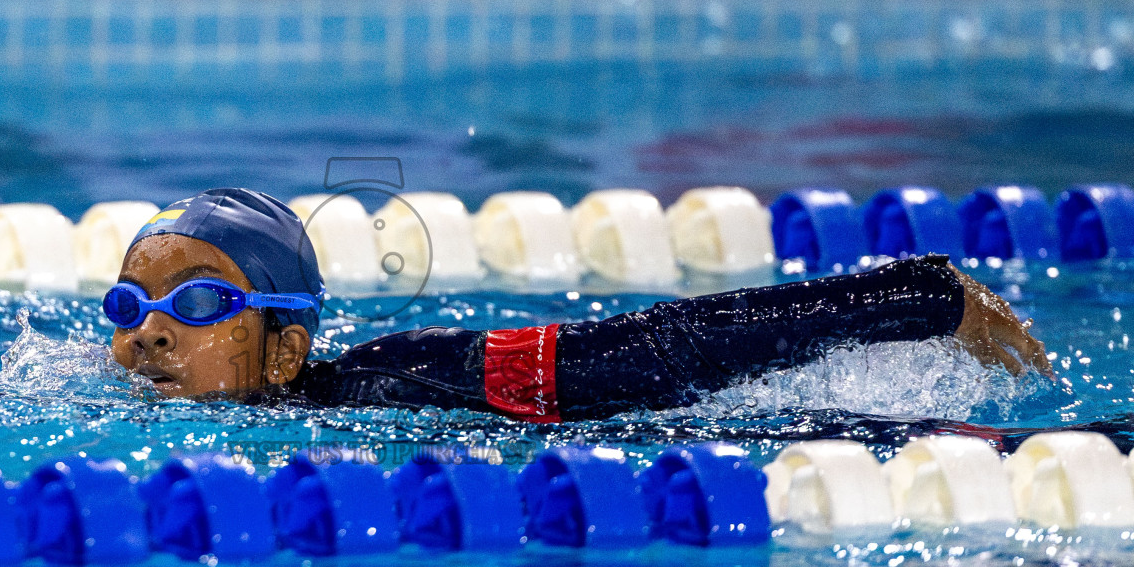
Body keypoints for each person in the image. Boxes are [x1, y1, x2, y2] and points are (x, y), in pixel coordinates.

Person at [106, 188, 1051, 423]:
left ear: (284, 353)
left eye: (198, 301)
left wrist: (903, 299)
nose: (147, 329)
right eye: (126, 304)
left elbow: (644, 352)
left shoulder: (403, 380)